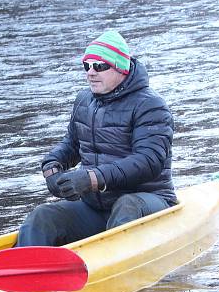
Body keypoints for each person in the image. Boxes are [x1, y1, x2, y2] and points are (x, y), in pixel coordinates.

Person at [17, 30, 177, 247]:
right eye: (87, 66)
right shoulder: (84, 100)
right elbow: (72, 145)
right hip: (96, 208)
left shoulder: (151, 105)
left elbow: (149, 161)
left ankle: (114, 266)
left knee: (127, 205)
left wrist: (93, 178)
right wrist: (51, 166)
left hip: (150, 202)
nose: (91, 72)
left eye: (100, 66)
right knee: (42, 216)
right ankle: (24, 272)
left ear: (121, 68)